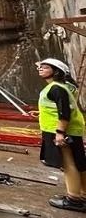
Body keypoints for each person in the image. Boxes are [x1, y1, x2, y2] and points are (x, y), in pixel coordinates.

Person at [36, 58, 86, 212]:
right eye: (40, 67)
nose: (40, 69)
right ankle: (83, 194)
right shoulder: (63, 87)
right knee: (79, 164)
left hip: (61, 131)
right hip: (71, 130)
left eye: (45, 67)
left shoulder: (56, 88)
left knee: (68, 164)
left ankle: (73, 199)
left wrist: (59, 133)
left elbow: (64, 112)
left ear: (55, 71)